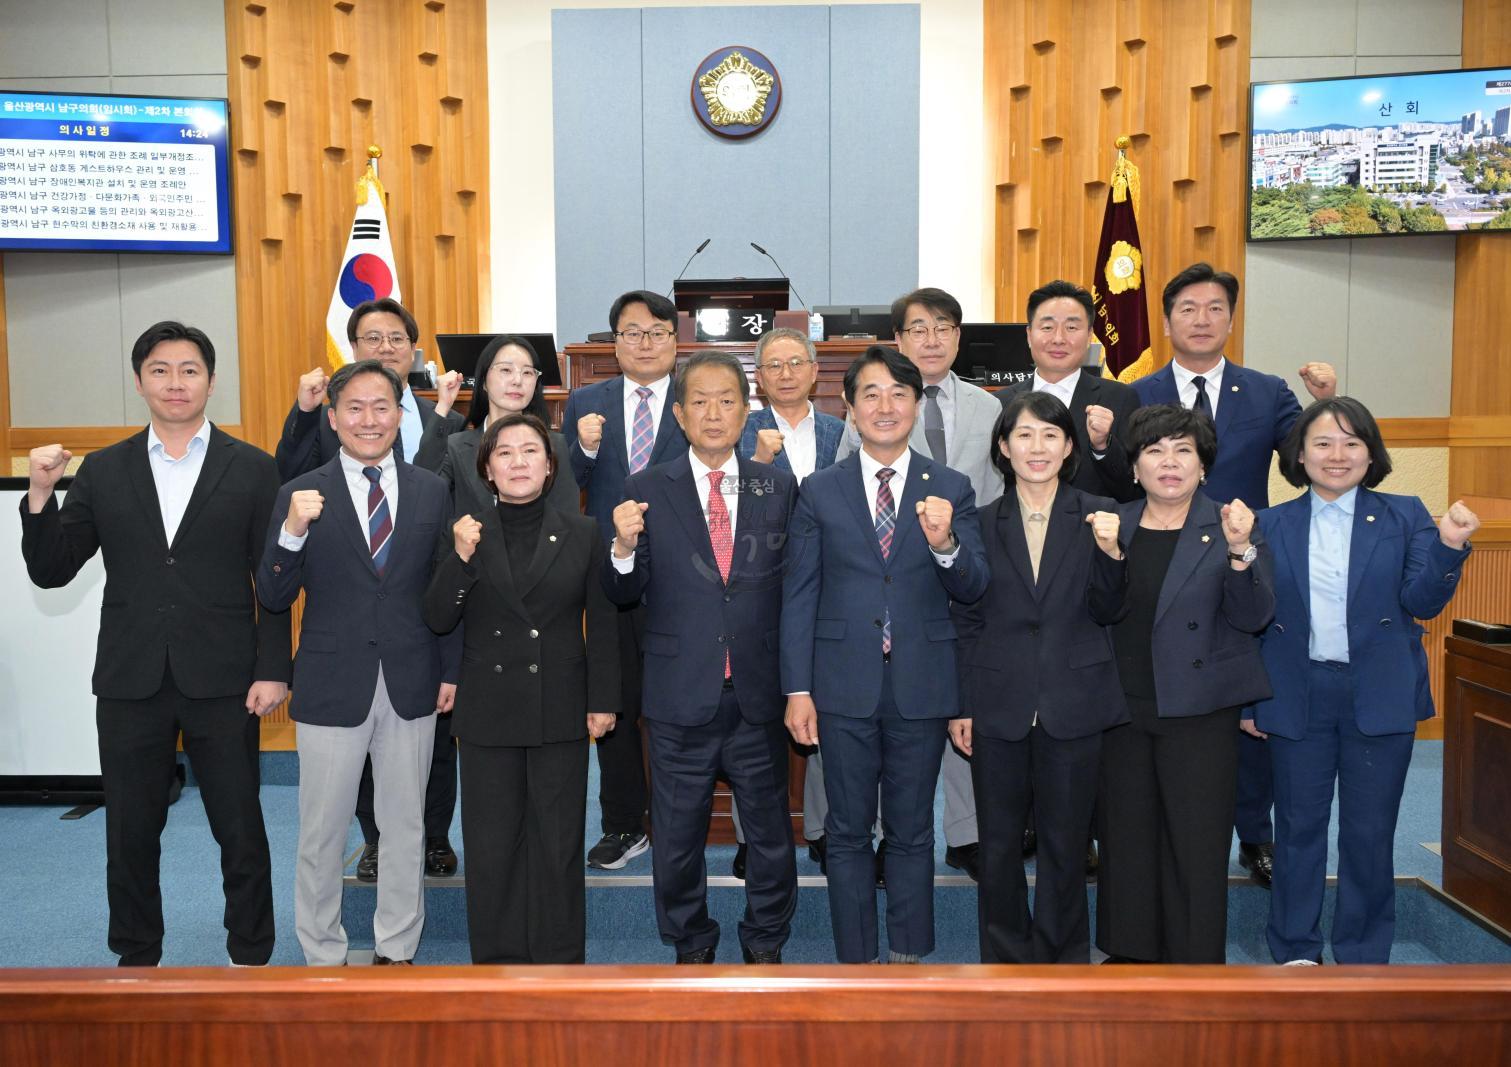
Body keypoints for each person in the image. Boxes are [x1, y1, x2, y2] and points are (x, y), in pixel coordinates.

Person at [20, 321, 290, 968]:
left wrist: (273, 667)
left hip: (226, 676)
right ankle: (136, 955)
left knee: (241, 828)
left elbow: (275, 578)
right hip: (129, 677)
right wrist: (39, 494)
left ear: (211, 381)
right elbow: (52, 567)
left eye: (190, 369)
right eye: (162, 370)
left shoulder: (252, 468)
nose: (176, 382)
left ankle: (250, 954)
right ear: (140, 381)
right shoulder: (104, 469)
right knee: (131, 831)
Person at [1247, 397, 1477, 965]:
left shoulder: (1405, 514)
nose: (1337, 454)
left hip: (1378, 693)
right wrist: (1250, 700)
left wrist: (1449, 545)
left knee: (1370, 832)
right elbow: (1249, 619)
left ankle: (1362, 951)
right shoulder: (1270, 523)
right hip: (1298, 694)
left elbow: (1420, 601)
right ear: (1298, 455)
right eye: (1322, 442)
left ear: (1372, 454)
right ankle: (1296, 947)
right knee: (1298, 829)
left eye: (1353, 442)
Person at [1132, 264, 1337, 887]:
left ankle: (1255, 834)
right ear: (1166, 321)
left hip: (1241, 559)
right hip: (1162, 564)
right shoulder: (1134, 393)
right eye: (1188, 308)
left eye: (1215, 308)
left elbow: (1307, 466)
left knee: (1247, 699)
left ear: (1230, 318)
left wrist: (1324, 406)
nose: (1201, 318)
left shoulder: (1267, 391)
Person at [782, 346, 989, 964]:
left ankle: (909, 951)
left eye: (899, 394)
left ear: (917, 404)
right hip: (841, 685)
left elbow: (974, 588)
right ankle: (854, 955)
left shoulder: (951, 487)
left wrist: (946, 541)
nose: (885, 406)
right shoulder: (819, 491)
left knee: (910, 828)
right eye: (870, 394)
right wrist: (797, 688)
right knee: (845, 831)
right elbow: (799, 594)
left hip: (922, 685)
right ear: (847, 407)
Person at [258, 359, 458, 966]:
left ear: (401, 415)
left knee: (406, 827)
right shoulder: (300, 492)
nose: (369, 420)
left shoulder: (430, 488)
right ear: (333, 414)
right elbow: (271, 595)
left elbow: (445, 586)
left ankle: (397, 948)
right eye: (355, 407)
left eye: (381, 407)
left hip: (412, 679)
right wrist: (291, 533)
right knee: (322, 832)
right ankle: (322, 953)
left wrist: (450, 669)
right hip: (330, 680)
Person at [605, 351, 799, 964]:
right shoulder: (643, 488)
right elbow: (621, 594)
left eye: (727, 400)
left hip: (757, 694)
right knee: (678, 836)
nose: (714, 413)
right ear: (680, 415)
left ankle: (765, 940)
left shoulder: (778, 486)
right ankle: (690, 941)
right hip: (677, 693)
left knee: (769, 835)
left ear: (747, 410)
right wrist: (621, 547)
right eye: (700, 402)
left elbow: (795, 592)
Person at [277, 297, 466, 883]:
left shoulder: (446, 422)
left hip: (416, 641)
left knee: (429, 764)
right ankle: (373, 842)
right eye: (370, 338)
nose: (384, 348)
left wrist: (451, 662)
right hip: (343, 651)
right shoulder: (326, 430)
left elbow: (447, 562)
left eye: (395, 339)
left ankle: (433, 840)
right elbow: (288, 477)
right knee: (338, 798)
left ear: (413, 350)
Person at [423, 413, 619, 964]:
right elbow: (437, 617)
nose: (517, 462)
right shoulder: (466, 530)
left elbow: (602, 623)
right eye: (503, 453)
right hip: (487, 711)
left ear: (550, 464)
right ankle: (497, 967)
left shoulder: (583, 531)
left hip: (559, 706)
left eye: (529, 450)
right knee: (491, 847)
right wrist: (460, 559)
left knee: (557, 846)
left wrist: (603, 699)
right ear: (486, 468)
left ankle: (559, 966)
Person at [951, 391, 1129, 963]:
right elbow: (967, 618)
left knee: (1067, 841)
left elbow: (1111, 610)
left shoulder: (1102, 514)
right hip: (997, 699)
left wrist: (1110, 553)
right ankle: (1003, 953)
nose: (1037, 447)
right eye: (1023, 435)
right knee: (999, 842)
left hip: (1074, 699)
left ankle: (1061, 953)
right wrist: (962, 704)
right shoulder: (977, 522)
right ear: (1003, 448)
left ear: (1069, 445)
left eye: (1050, 435)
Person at [1096, 404, 1275, 964]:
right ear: (1134, 467)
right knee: (1125, 838)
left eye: (1183, 452)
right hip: (1121, 709)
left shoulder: (1230, 524)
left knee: (1196, 842)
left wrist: (1242, 554)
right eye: (1153, 451)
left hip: (1198, 710)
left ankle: (1194, 959)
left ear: (1203, 466)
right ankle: (1129, 954)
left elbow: (1253, 617)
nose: (1168, 463)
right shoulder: (1111, 523)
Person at [835, 287, 1001, 881]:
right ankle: (881, 835)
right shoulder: (870, 410)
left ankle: (966, 831)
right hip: (894, 586)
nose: (932, 339)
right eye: (918, 329)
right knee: (889, 713)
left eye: (944, 328)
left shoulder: (990, 408)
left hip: (963, 573)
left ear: (959, 337)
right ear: (899, 339)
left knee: (957, 709)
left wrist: (960, 553)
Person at [561, 290, 689, 869]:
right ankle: (621, 823)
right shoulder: (587, 400)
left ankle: (675, 815)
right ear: (615, 342)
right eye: (633, 332)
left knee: (674, 700)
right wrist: (584, 448)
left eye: (657, 332)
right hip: (608, 570)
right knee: (611, 699)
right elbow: (563, 486)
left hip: (683, 572)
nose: (645, 342)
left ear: (675, 340)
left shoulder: (696, 398)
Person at [730, 326, 845, 878]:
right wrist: (752, 460)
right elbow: (719, 508)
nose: (785, 374)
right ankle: (755, 836)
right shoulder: (738, 430)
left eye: (795, 363)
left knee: (825, 711)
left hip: (826, 593)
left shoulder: (840, 431)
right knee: (756, 723)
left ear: (814, 370)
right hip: (754, 592)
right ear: (758, 377)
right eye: (772, 365)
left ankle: (825, 828)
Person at [997, 280, 1141, 503]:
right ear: (1028, 334)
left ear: (1090, 336)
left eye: (1072, 327)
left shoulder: (1120, 398)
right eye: (1047, 327)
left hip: (1093, 530)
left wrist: (1103, 446)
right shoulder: (1000, 403)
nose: (1058, 338)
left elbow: (1132, 489)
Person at [413, 334, 578, 517]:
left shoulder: (554, 445)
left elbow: (568, 519)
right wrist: (443, 406)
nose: (517, 380)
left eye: (527, 372)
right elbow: (422, 486)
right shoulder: (456, 447)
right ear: (483, 380)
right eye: (506, 370)